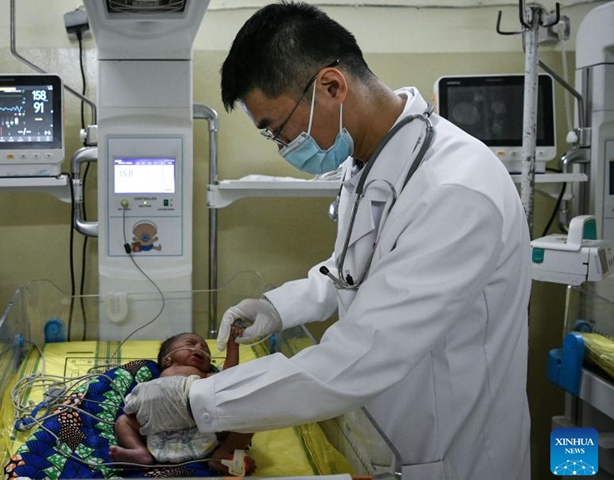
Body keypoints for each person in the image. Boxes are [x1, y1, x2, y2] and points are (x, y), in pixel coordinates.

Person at [123, 2, 532, 480]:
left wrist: (197, 399)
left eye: (278, 130)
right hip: (385, 438)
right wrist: (277, 307)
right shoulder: (366, 163)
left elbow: (363, 354)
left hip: (452, 455)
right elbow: (355, 270)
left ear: (332, 86)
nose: (282, 146)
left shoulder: (457, 191)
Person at [110, 331, 255, 475]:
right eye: (190, 343)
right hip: (157, 427)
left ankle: (224, 452)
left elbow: (229, 377)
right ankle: (140, 452)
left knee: (249, 415)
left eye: (205, 349)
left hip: (198, 424)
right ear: (168, 359)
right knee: (123, 421)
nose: (200, 348)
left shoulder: (204, 375)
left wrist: (233, 347)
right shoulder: (159, 377)